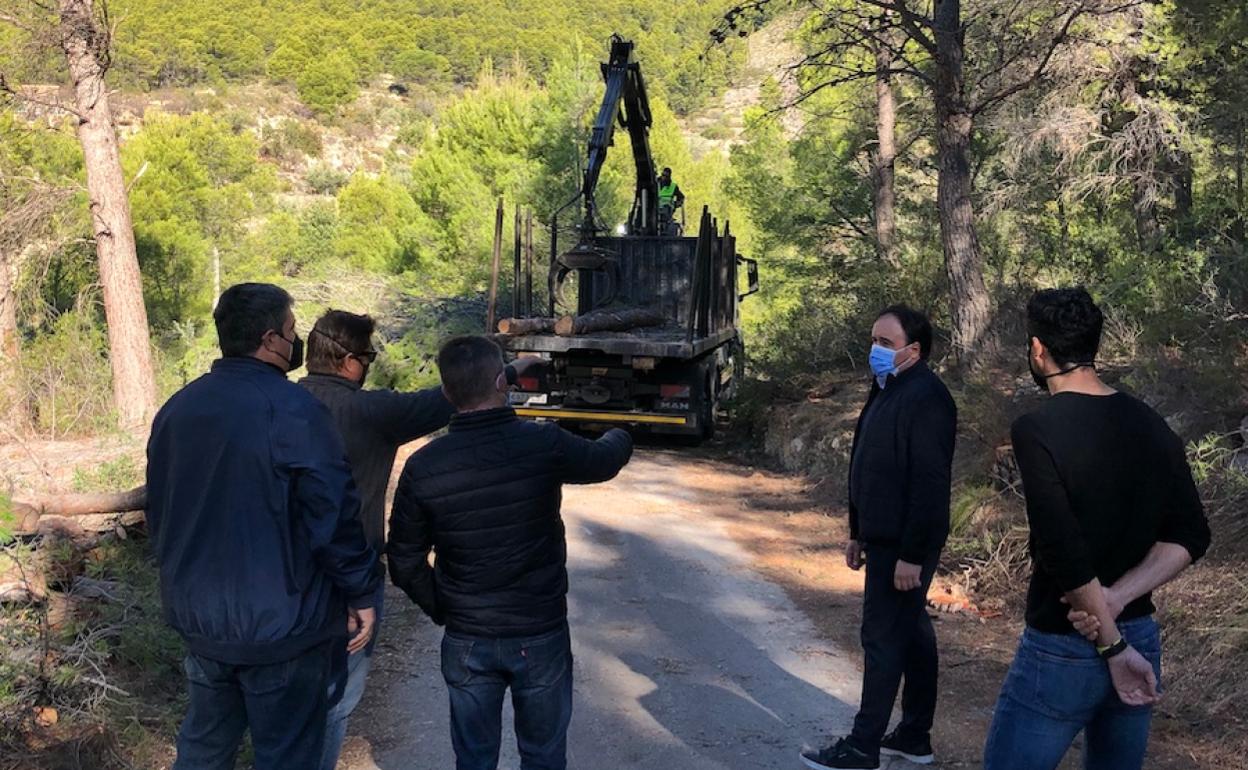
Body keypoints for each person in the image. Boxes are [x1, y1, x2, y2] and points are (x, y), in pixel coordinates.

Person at [146, 283, 380, 770]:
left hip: (201, 623)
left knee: (205, 748)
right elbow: (332, 515)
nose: (296, 344)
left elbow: (161, 511)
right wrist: (360, 591)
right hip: (283, 629)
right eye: (293, 332)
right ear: (272, 339)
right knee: (286, 755)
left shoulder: (178, 408)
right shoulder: (295, 411)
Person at [982, 288, 1211, 770]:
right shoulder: (1151, 424)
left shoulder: (1036, 429)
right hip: (1139, 634)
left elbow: (1063, 549)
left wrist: (1109, 637)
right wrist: (1120, 600)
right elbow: (1191, 534)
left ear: (1038, 350)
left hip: (1065, 644)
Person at [388, 335, 633, 770]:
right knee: (541, 756)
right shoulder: (542, 444)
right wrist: (622, 429)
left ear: (446, 393)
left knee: (474, 759)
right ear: (502, 382)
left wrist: (444, 608)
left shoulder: (424, 465)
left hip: (467, 638)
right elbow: (603, 460)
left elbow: (404, 560)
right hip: (538, 633)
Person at [299, 309, 455, 770]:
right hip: (353, 577)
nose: (368, 366)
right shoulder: (372, 411)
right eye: (367, 357)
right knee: (337, 698)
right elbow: (446, 398)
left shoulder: (279, 402)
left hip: (282, 575)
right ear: (349, 361)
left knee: (289, 696)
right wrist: (507, 370)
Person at [803, 305, 957, 770]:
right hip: (883, 535)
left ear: (915, 350)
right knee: (910, 633)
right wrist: (858, 531)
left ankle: (862, 746)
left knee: (883, 637)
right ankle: (913, 735)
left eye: (886, 343)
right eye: (874, 340)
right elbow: (867, 462)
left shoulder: (928, 398)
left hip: (906, 543)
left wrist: (911, 555)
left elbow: (930, 484)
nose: (876, 350)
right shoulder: (886, 387)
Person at [657, 166, 684, 234]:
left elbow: (681, 197)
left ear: (669, 176)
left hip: (668, 209)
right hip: (654, 208)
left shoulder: (673, 186)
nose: (664, 177)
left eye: (666, 176)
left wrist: (676, 204)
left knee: (665, 209)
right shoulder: (655, 184)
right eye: (663, 175)